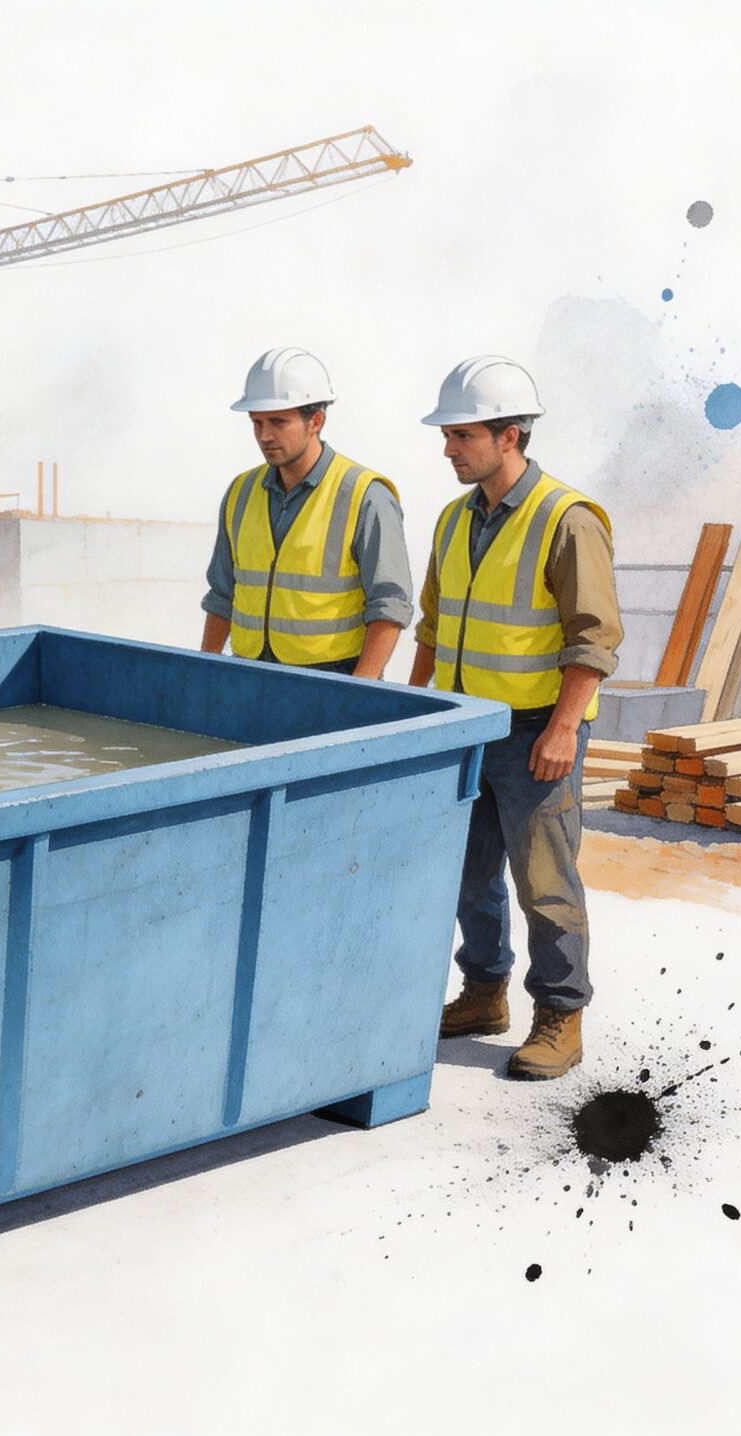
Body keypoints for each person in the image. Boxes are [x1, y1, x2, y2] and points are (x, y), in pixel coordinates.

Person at [410, 356, 621, 1080]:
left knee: (545, 884)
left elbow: (593, 638)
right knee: (466, 877)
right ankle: (484, 992)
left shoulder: (568, 519)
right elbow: (433, 628)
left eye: (461, 435)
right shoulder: (452, 520)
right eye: (447, 436)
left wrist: (564, 728)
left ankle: (561, 1015)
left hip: (536, 733)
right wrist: (414, 714)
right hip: (464, 729)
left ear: (509, 436)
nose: (447, 449)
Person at [199, 348, 411, 677]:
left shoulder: (365, 496)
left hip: (335, 680)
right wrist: (205, 671)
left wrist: (360, 690)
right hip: (250, 676)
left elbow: (390, 606)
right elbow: (222, 595)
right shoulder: (241, 492)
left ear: (316, 421)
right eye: (257, 423)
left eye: (278, 422)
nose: (264, 436)